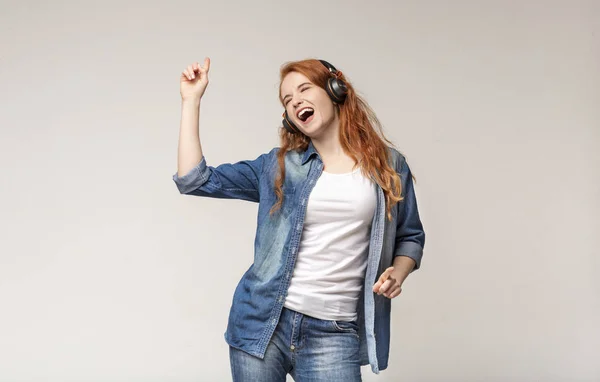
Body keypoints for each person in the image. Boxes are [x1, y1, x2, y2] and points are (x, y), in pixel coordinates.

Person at [173, 57, 426, 381]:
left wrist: (399, 272)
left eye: (304, 89)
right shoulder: (279, 167)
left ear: (335, 89)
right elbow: (194, 180)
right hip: (262, 324)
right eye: (288, 100)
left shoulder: (388, 165)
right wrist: (190, 101)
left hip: (334, 331)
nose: (296, 102)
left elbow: (411, 236)